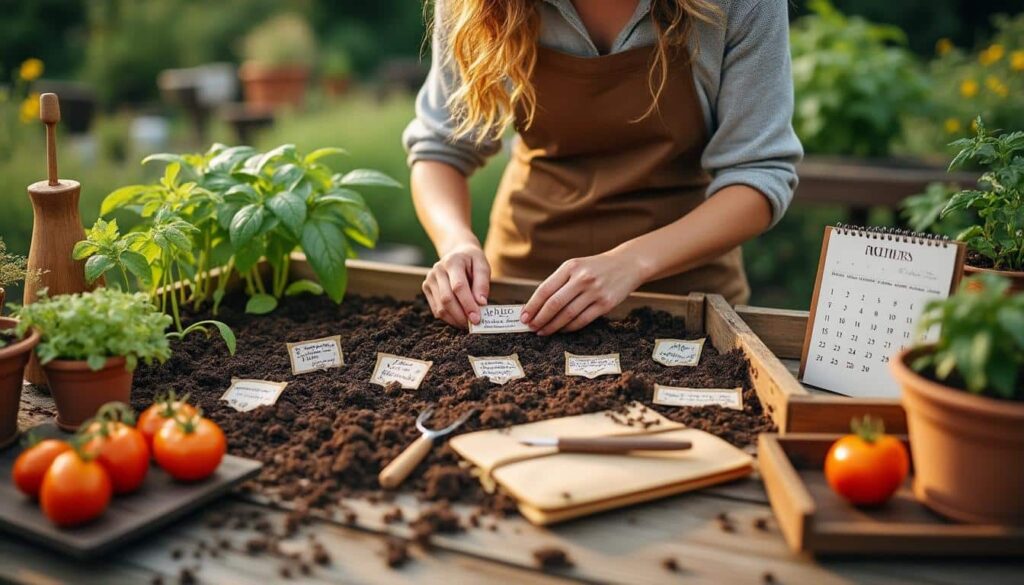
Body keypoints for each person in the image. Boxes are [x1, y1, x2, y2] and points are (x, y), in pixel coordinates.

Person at [403, 0, 802, 335]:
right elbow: (441, 146)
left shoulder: (741, 6)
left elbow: (759, 174)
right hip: (525, 295)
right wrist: (457, 243)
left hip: (681, 303)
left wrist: (631, 262)